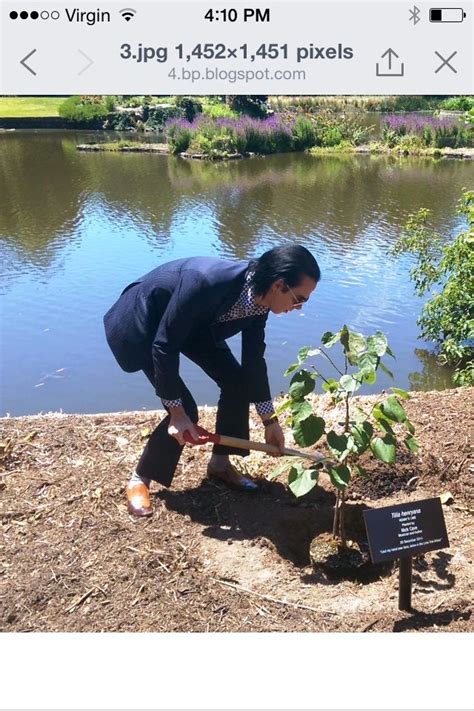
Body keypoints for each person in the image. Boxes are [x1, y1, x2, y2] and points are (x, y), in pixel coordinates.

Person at [104, 244, 321, 517]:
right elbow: (164, 345)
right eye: (299, 298)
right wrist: (177, 412)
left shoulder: (260, 302)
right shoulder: (205, 282)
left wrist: (270, 421)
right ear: (279, 285)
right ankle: (140, 479)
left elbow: (254, 361)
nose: (299, 307)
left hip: (195, 325)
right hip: (146, 324)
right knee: (185, 410)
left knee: (237, 383)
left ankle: (219, 465)